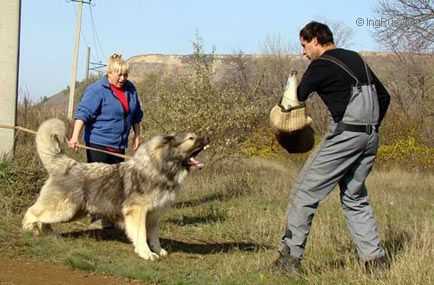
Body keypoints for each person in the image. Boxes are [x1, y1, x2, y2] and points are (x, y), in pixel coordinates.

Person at [273, 21, 391, 273]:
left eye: (304, 46)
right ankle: (376, 262)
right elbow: (384, 96)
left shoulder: (321, 65)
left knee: (304, 193)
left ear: (316, 40)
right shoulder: (356, 58)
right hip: (370, 136)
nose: (303, 52)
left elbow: (296, 99)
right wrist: (369, 126)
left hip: (346, 135)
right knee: (354, 197)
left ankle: (288, 261)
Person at [68, 53, 143, 228]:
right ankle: (96, 219)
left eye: (125, 75)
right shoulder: (97, 90)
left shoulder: (130, 89)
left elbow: (136, 115)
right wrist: (74, 136)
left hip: (118, 145)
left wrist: (137, 136)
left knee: (116, 184)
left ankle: (110, 219)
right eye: (119, 74)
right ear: (109, 73)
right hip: (98, 144)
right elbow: (82, 114)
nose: (123, 78)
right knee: (98, 183)